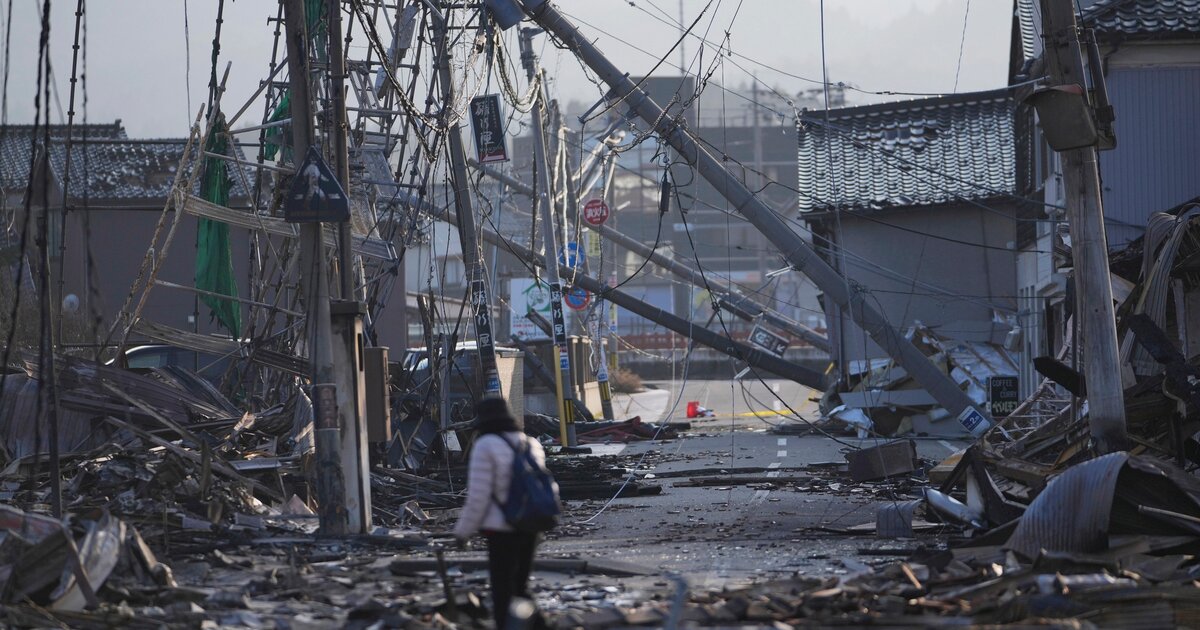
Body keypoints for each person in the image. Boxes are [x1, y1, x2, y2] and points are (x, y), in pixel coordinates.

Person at [453, 397, 546, 629]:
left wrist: (462, 532)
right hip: (531, 525)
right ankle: (541, 626)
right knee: (521, 587)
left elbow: (478, 497)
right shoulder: (530, 442)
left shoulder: (485, 445)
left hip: (501, 529)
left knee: (503, 590)